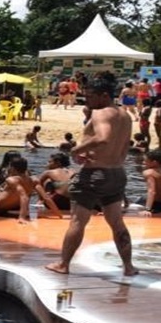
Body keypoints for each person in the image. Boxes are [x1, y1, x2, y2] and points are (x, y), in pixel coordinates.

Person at [46, 72, 137, 276]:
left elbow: (103, 137)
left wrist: (75, 151)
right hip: (116, 173)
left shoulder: (101, 113)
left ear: (103, 95)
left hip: (95, 175)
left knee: (78, 221)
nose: (86, 100)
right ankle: (128, 266)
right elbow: (119, 146)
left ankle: (63, 264)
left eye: (89, 96)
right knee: (116, 222)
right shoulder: (124, 115)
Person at [33, 152, 74, 217]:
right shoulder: (73, 171)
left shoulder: (49, 172)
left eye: (49, 162)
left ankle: (40, 201)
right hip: (72, 203)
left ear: (58, 163)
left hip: (57, 202)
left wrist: (40, 198)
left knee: (47, 181)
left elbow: (37, 184)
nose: (47, 164)